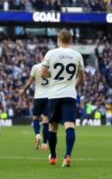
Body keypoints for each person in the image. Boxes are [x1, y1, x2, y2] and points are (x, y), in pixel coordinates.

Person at [41, 30, 85, 168]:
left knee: (52, 127)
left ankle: (53, 156)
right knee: (70, 126)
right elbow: (82, 78)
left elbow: (42, 73)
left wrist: (53, 75)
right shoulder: (77, 55)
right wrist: (73, 86)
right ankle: (67, 156)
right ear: (70, 40)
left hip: (54, 94)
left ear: (58, 40)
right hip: (69, 94)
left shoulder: (51, 53)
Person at [21, 57, 50, 150]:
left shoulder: (36, 67)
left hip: (38, 97)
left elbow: (29, 82)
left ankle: (37, 134)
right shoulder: (53, 68)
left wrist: (23, 90)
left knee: (35, 118)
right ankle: (45, 144)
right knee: (46, 121)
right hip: (49, 97)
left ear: (42, 58)